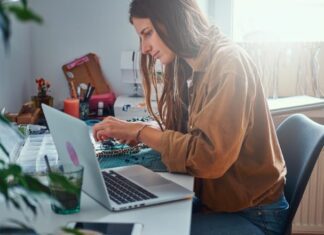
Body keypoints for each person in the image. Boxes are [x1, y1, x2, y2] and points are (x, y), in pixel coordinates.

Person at [93, 0, 289, 234]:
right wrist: (145, 130)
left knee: (154, 229)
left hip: (254, 214)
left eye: (148, 33)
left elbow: (207, 157)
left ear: (173, 20)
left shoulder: (229, 64)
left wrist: (140, 132)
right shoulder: (189, 65)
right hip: (220, 201)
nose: (144, 48)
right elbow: (192, 131)